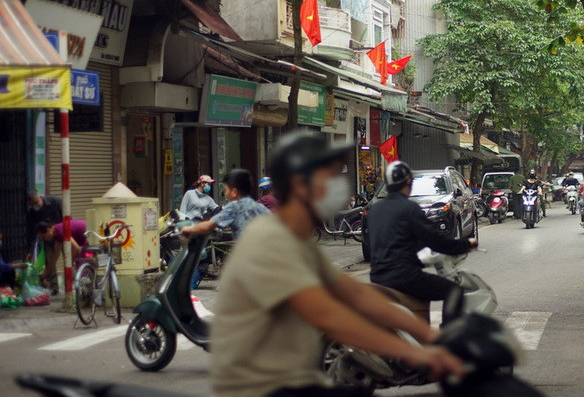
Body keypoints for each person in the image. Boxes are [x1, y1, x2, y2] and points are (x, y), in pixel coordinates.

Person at [210, 132, 464, 397]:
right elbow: (330, 317)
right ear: (300, 184)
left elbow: (356, 294)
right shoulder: (270, 240)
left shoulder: (299, 243)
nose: (337, 185)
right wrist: (417, 355)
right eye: (329, 176)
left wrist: (428, 336)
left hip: (295, 382)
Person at [369, 161, 476, 304]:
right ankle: (449, 327)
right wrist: (465, 244)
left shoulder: (375, 209)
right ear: (408, 182)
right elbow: (436, 241)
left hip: (377, 277)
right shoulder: (410, 208)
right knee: (454, 290)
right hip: (404, 277)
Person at [181, 169, 270, 241]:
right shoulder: (258, 206)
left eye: (226, 190)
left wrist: (188, 229)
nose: (225, 194)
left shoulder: (233, 207)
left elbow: (208, 226)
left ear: (234, 192)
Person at [35, 220, 87, 290]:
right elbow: (55, 255)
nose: (45, 239)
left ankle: (85, 289)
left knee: (79, 267)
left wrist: (70, 263)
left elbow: (76, 248)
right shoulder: (56, 234)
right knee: (74, 268)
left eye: (44, 237)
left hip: (87, 235)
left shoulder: (60, 231)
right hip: (83, 238)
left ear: (48, 230)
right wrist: (46, 273)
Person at [25, 190, 62, 271]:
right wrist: (30, 251)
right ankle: (53, 283)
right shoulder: (32, 213)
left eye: (36, 202)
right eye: (32, 204)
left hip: (63, 235)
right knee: (49, 260)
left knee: (68, 257)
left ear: (41, 197)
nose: (35, 205)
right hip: (48, 239)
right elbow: (32, 233)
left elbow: (67, 216)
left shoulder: (55, 201)